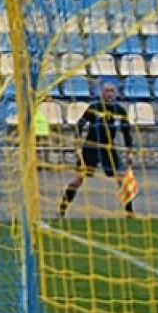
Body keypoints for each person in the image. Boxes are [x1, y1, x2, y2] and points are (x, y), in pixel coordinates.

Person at [59, 78, 137, 218]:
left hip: (108, 148)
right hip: (91, 147)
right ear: (102, 93)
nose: (109, 94)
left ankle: (129, 212)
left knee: (121, 179)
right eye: (107, 91)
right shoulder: (94, 108)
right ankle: (62, 209)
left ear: (116, 93)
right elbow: (79, 125)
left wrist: (130, 152)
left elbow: (126, 133)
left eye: (112, 91)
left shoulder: (120, 111)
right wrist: (77, 146)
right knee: (78, 180)